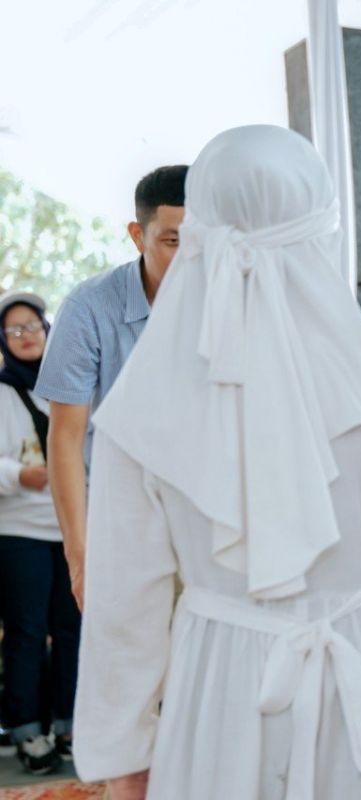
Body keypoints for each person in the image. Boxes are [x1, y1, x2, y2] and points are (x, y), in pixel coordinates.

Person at [72, 125, 361, 800]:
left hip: (220, 684)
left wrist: (126, 757)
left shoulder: (140, 406)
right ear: (319, 231)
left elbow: (125, 608)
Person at [35, 165, 188, 609]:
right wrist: (80, 558)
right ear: (138, 236)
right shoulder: (89, 308)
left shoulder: (234, 302)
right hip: (121, 518)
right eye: (172, 242)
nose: (189, 258)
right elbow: (64, 437)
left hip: (209, 516)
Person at [0, 291, 79, 773]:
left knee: (73, 629)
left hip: (71, 528)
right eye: (15, 330)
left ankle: (71, 723)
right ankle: (28, 731)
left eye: (34, 326)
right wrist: (16, 475)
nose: (27, 336)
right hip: (18, 531)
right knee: (27, 632)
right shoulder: (1, 390)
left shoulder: (68, 383)